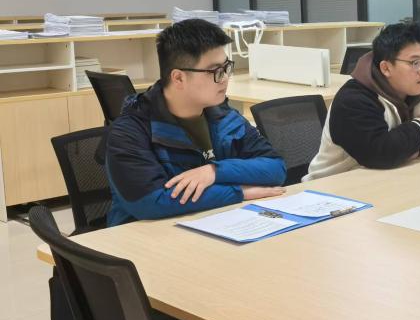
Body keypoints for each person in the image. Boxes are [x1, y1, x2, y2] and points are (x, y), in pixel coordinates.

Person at [105, 19, 286, 227]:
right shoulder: (130, 131)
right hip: (143, 237)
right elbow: (151, 202)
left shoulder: (224, 115)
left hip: (217, 222)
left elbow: (276, 168)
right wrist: (239, 191)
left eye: (226, 67)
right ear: (178, 78)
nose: (225, 78)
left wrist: (214, 172)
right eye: (215, 71)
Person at [305, 21, 420, 180]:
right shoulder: (353, 100)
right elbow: (380, 153)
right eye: (415, 63)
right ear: (386, 68)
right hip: (333, 186)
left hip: (389, 179)